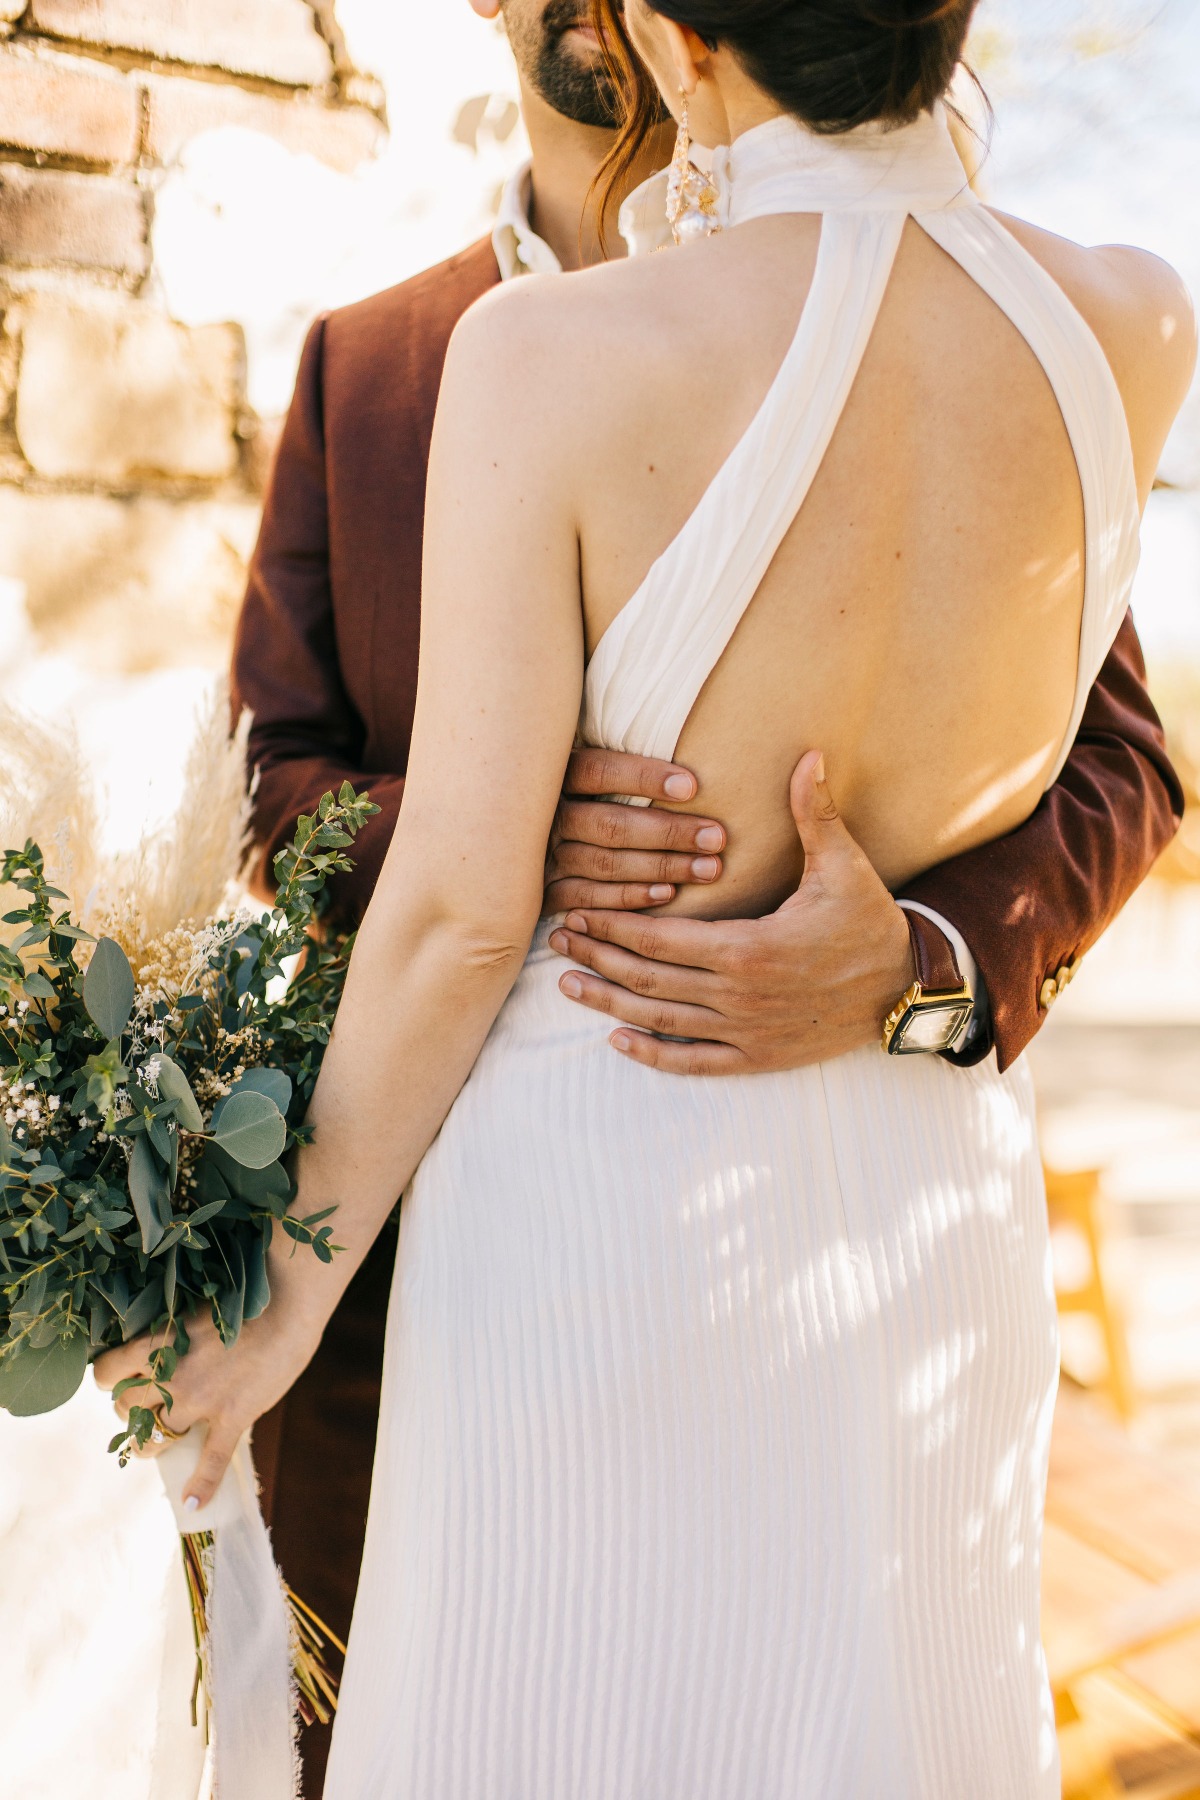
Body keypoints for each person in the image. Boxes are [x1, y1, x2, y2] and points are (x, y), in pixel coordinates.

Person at [102, 0, 1198, 1790]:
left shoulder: (543, 356)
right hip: (930, 1200)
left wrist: (280, 1292)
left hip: (599, 1184)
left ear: (683, 46)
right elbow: (284, 765)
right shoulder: (1139, 315)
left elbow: (460, 921)